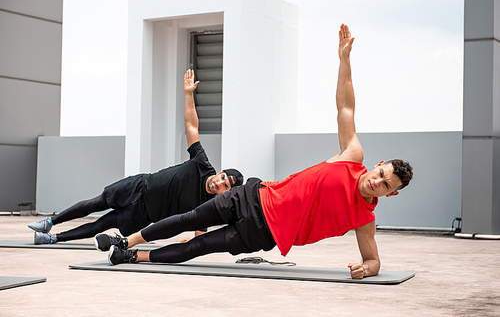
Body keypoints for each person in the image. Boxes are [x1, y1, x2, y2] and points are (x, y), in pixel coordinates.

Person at [102, 24, 413, 279]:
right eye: (381, 174)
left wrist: (368, 269)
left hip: (263, 232)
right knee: (189, 218)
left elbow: (373, 259)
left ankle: (133, 255)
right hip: (253, 196)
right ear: (379, 165)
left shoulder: (365, 218)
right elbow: (345, 107)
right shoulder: (352, 156)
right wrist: (344, 60)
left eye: (386, 185)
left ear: (391, 194)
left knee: (199, 247)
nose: (377, 182)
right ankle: (125, 239)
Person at [28, 69, 244, 247]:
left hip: (143, 213)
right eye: (223, 176)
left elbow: (200, 234)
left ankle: (53, 238)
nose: (219, 182)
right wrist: (188, 94)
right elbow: (191, 125)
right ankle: (50, 221)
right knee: (96, 202)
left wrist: (190, 241)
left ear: (227, 191)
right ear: (221, 172)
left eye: (224, 185)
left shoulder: (208, 204)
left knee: (101, 224)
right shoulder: (202, 164)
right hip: (139, 185)